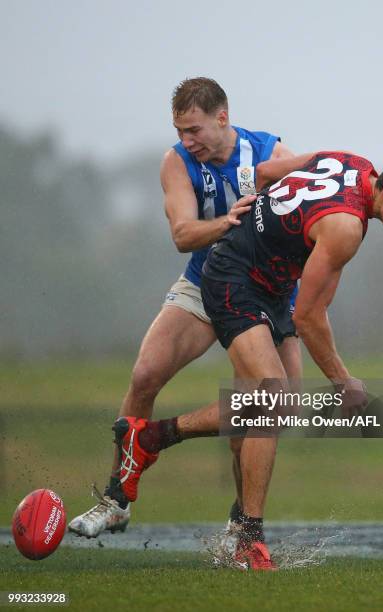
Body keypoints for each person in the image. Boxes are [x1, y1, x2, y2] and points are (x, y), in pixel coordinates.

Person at [96, 148, 383, 570]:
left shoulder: (350, 161)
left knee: (277, 406)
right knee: (274, 398)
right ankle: (241, 530)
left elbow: (263, 173)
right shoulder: (346, 228)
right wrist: (344, 381)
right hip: (235, 278)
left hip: (267, 284)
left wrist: (255, 220)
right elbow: (308, 315)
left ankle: (157, 445)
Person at [68, 77, 302, 539]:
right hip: (205, 281)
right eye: (179, 130)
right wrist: (228, 224)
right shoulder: (177, 163)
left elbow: (303, 221)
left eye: (193, 130)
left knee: (260, 413)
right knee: (144, 374)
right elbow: (182, 234)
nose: (185, 140)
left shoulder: (272, 156)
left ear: (223, 117)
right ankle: (116, 499)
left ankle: (242, 526)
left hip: (262, 295)